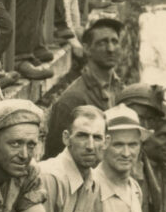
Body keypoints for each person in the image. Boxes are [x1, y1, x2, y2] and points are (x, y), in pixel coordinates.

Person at [46, 10, 127, 156]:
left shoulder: (120, 89)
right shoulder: (73, 99)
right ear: (87, 49)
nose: (110, 49)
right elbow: (55, 155)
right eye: (103, 42)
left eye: (114, 41)